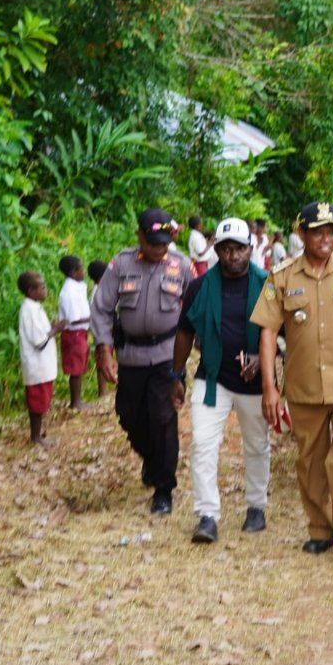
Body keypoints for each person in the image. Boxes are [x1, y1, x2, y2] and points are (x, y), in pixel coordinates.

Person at [250, 201, 333, 560]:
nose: (326, 238)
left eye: (331, 231)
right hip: (304, 386)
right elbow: (267, 333)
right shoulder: (282, 277)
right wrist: (269, 387)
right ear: (302, 234)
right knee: (310, 460)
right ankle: (320, 529)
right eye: (317, 231)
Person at [171, 218, 270, 544]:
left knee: (256, 445)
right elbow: (184, 332)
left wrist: (262, 361)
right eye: (225, 249)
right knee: (202, 445)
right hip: (212, 378)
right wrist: (177, 375)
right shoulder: (201, 286)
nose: (232, 256)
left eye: (239, 249)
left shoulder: (267, 284)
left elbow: (282, 336)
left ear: (250, 249)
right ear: (217, 251)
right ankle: (207, 515)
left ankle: (256, 507)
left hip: (254, 383)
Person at [91, 208, 195, 514]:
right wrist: (104, 349)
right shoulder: (121, 265)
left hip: (167, 354)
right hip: (132, 356)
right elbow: (102, 308)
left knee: (163, 419)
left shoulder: (181, 265)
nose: (159, 249)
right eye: (152, 243)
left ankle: (164, 488)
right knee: (129, 415)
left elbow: (195, 307)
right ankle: (153, 459)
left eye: (164, 244)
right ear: (139, 236)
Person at [18, 272, 67, 447]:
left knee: (41, 400)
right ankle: (36, 437)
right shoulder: (29, 310)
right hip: (36, 366)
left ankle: (37, 434)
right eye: (42, 287)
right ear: (31, 290)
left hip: (42, 366)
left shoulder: (34, 307)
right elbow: (39, 341)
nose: (45, 290)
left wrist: (52, 328)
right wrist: (57, 329)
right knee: (37, 403)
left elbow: (41, 333)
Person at [58, 255, 92, 410]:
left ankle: (78, 400)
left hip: (81, 331)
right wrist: (92, 319)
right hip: (74, 333)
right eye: (81, 269)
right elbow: (73, 320)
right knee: (75, 368)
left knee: (80, 365)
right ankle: (75, 401)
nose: (83, 272)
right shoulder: (69, 293)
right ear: (73, 272)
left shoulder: (77, 287)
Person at [87, 260, 110, 399]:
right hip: (101, 331)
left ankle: (105, 389)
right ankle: (102, 391)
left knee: (106, 357)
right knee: (102, 358)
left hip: (106, 329)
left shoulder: (101, 289)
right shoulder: (97, 292)